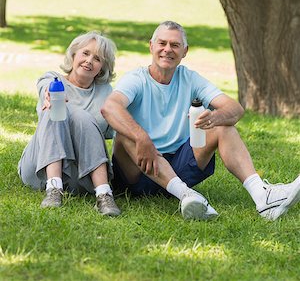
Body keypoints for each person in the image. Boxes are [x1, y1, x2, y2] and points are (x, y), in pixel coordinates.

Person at [101, 21, 300, 221]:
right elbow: (110, 107)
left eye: (175, 45)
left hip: (179, 165)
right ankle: (187, 195)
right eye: (162, 43)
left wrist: (215, 117)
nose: (167, 49)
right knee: (126, 136)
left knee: (224, 127)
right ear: (151, 46)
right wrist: (142, 137)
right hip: (138, 170)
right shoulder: (136, 79)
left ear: (185, 51)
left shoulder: (189, 78)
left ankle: (262, 196)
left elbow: (235, 109)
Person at [18, 31, 120, 217]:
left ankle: (103, 194)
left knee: (82, 117)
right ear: (74, 54)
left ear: (103, 67)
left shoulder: (106, 93)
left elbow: (117, 131)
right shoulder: (52, 79)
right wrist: (52, 95)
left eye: (97, 58)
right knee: (56, 109)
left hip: (79, 175)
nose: (89, 61)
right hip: (38, 168)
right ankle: (53, 188)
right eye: (85, 53)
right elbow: (46, 89)